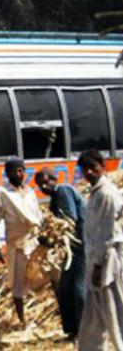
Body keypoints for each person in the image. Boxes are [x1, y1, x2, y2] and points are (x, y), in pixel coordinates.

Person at [76, 149, 123, 350]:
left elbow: (107, 234)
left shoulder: (107, 194)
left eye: (92, 167)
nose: (89, 172)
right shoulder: (95, 192)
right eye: (84, 169)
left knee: (113, 309)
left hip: (106, 261)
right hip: (95, 259)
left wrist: (97, 266)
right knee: (94, 316)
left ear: (102, 167)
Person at [0, 158, 43, 329]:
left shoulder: (30, 192)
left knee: (47, 276)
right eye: (15, 171)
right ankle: (22, 322)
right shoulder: (3, 193)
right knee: (18, 284)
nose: (19, 174)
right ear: (8, 173)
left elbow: (38, 216)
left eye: (21, 170)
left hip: (35, 241)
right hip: (17, 244)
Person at [34, 168, 86, 341]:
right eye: (39, 185)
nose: (42, 186)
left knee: (78, 289)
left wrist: (51, 234)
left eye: (44, 182)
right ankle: (71, 330)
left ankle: (83, 330)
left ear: (53, 179)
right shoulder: (54, 199)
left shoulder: (63, 191)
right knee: (64, 289)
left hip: (83, 245)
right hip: (72, 248)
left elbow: (69, 220)